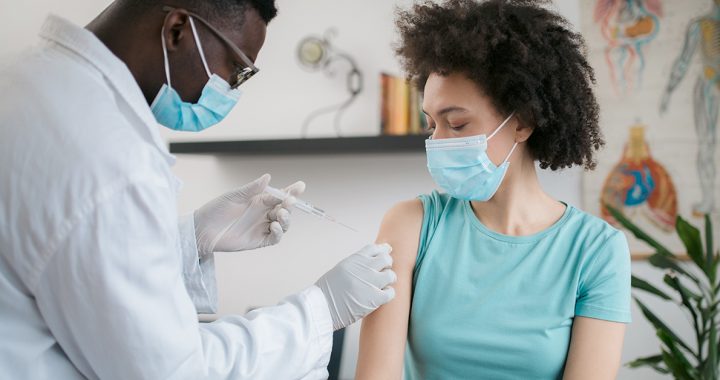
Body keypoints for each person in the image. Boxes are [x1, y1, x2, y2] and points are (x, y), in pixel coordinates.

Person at [0, 0, 396, 379]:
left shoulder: (28, 83)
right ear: (177, 30)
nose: (232, 90)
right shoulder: (108, 156)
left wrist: (189, 240)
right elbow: (169, 370)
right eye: (237, 70)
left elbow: (75, 267)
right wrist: (321, 310)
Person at [355, 1, 631, 379]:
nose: (437, 142)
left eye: (456, 124)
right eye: (431, 124)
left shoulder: (596, 250)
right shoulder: (410, 226)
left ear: (522, 123)